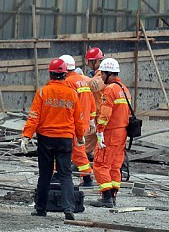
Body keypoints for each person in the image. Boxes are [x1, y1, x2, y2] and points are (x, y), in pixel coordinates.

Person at [21, 58, 82, 220]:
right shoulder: (72, 94)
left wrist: (26, 136)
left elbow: (34, 116)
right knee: (65, 174)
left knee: (45, 175)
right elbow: (78, 119)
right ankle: (69, 208)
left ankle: (41, 209)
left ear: (50, 74)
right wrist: (81, 136)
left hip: (46, 139)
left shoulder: (42, 92)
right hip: (65, 139)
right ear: (65, 74)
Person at [89, 58, 130, 208]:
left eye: (102, 75)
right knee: (114, 165)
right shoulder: (124, 89)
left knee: (100, 163)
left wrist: (99, 132)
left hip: (111, 132)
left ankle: (106, 196)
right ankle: (112, 196)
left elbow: (105, 113)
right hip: (122, 133)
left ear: (108, 73)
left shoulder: (110, 89)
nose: (101, 78)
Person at [61, 54, 95, 187]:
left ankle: (87, 177)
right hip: (83, 121)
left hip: (73, 123)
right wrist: (91, 119)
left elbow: (67, 104)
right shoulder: (83, 80)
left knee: (76, 151)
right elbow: (91, 100)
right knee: (68, 150)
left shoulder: (68, 82)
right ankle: (58, 174)